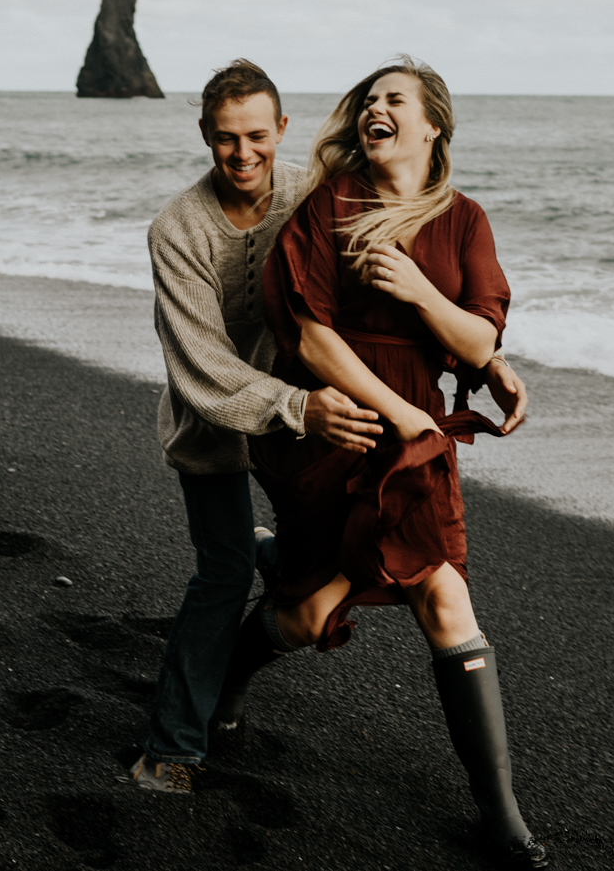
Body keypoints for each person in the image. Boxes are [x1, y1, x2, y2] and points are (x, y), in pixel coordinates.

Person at [131, 58, 531, 794]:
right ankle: (173, 745)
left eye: (257, 135)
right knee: (222, 576)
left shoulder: (308, 193)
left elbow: (414, 275)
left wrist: (489, 356)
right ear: (204, 137)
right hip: (223, 423)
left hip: (320, 419)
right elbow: (204, 368)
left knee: (324, 564)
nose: (243, 154)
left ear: (282, 130)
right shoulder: (177, 231)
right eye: (225, 139)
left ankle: (278, 554)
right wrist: (301, 404)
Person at [215, 56, 549, 868]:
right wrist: (398, 413)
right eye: (368, 100)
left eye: (394, 99)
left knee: (443, 595)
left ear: (431, 123)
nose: (376, 108)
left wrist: (417, 291)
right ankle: (225, 675)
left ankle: (500, 811)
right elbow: (309, 333)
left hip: (418, 432)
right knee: (307, 612)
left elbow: (476, 336)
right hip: (337, 422)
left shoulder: (464, 218)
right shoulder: (334, 204)